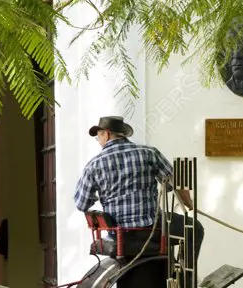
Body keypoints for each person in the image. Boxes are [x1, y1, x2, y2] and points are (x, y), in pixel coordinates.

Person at [73, 116, 203, 271]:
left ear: (106, 135)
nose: (99, 140)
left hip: (120, 234)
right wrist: (189, 204)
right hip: (153, 229)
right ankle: (185, 280)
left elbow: (82, 204)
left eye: (98, 136)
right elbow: (178, 184)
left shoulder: (93, 165)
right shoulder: (149, 153)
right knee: (194, 228)